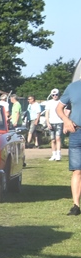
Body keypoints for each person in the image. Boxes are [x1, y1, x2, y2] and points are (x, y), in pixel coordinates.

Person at [55, 80, 81, 215]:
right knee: (77, 170)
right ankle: (76, 206)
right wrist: (66, 120)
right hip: (77, 132)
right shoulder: (73, 87)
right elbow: (59, 108)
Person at [43, 89, 64, 161]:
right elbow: (47, 113)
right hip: (51, 122)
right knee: (53, 140)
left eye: (56, 95)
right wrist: (48, 122)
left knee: (58, 138)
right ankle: (53, 154)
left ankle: (58, 154)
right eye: (53, 95)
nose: (55, 96)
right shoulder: (49, 102)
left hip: (59, 122)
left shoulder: (61, 102)